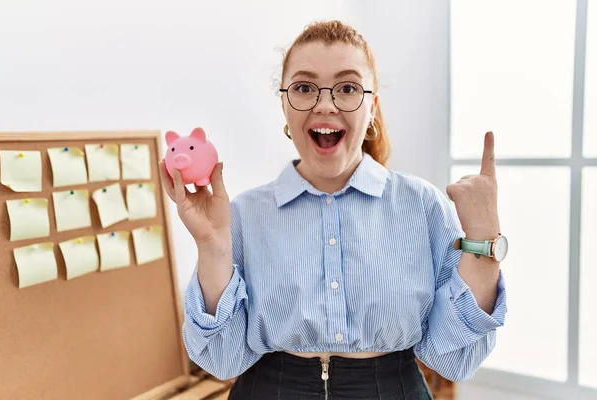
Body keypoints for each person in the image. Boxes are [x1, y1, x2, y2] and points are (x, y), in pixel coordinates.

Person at [159, 20, 507, 400]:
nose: (325, 104)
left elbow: (457, 360)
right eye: (305, 88)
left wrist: (485, 239)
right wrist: (211, 245)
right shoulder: (242, 214)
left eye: (347, 88)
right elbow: (222, 360)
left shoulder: (422, 206)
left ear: (372, 107)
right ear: (284, 104)